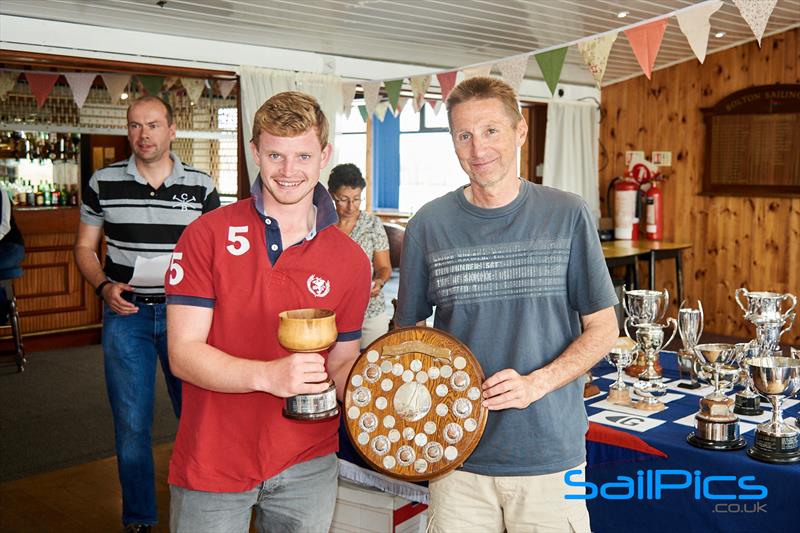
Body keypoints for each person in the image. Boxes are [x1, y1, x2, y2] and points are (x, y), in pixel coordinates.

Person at [395, 76, 619, 533]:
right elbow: (407, 342)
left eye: (491, 131)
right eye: (464, 135)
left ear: (520, 132)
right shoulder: (428, 226)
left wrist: (538, 383)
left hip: (550, 457)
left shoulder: (567, 214)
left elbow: (604, 329)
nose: (478, 148)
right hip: (455, 457)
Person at [165, 91, 371, 533]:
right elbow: (183, 354)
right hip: (213, 457)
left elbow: (341, 362)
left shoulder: (351, 259)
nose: (289, 170)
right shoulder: (207, 234)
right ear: (255, 152)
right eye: (275, 154)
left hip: (308, 463)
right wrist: (268, 376)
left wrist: (382, 394)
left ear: (325, 156)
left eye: (303, 155)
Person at [74, 95, 220, 533]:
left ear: (172, 130)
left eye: (153, 125)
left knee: (196, 417)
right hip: (127, 315)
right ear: (128, 130)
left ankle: (206, 508)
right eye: (136, 126)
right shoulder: (103, 182)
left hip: (187, 318)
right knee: (132, 425)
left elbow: (216, 257)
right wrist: (103, 285)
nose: (144, 135)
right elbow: (84, 248)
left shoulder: (201, 184)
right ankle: (139, 520)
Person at [328, 163, 392, 348]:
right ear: (332, 194)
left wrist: (378, 282)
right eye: (343, 199)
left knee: (370, 366)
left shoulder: (372, 224)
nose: (351, 206)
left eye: (356, 199)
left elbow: (384, 267)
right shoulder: (321, 225)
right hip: (332, 311)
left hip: (369, 311)